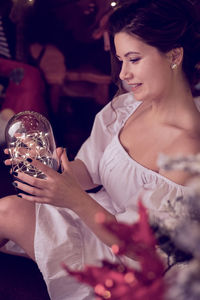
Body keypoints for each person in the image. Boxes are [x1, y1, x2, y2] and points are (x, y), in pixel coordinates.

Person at [1, 0, 200, 299]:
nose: (122, 74)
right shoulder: (127, 107)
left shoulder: (188, 148)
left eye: (133, 59)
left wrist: (74, 199)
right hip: (99, 220)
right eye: (120, 60)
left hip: (141, 267)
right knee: (6, 209)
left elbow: (144, 250)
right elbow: (89, 170)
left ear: (174, 56)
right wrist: (50, 168)